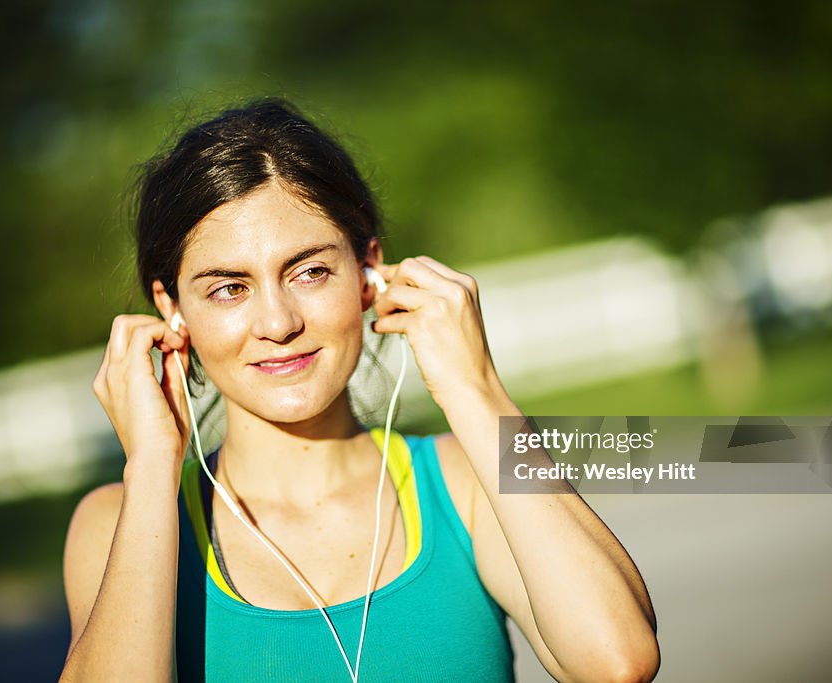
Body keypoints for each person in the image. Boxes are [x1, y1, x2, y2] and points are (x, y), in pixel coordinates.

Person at [58, 98, 659, 683]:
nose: (278, 322)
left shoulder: (461, 483)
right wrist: (153, 467)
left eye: (311, 271)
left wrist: (478, 394)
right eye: (228, 289)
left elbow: (615, 662)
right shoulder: (119, 521)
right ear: (173, 308)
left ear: (369, 271)